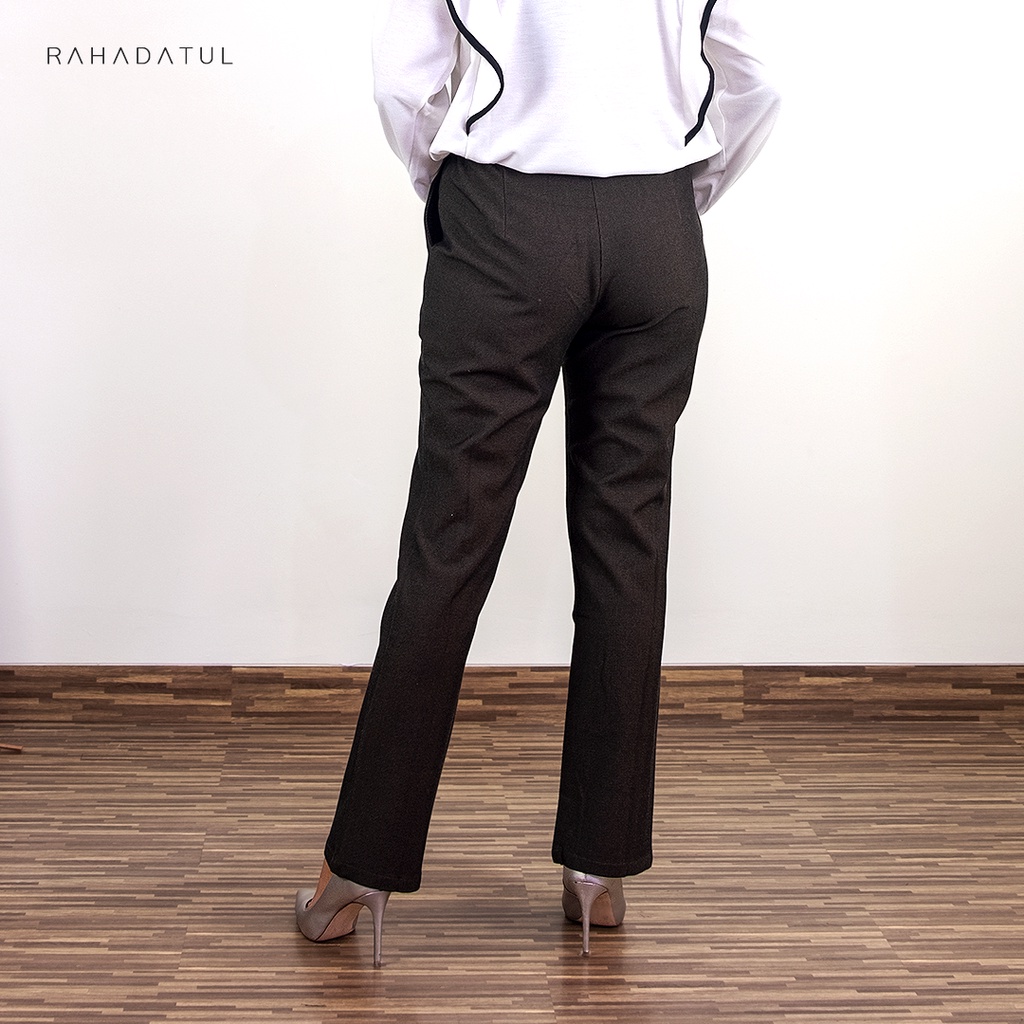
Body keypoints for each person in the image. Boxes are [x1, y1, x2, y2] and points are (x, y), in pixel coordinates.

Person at [296, 0, 780, 966]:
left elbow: (401, 82)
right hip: (656, 226)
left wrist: (449, 186)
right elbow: (758, 79)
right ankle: (600, 871)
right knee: (627, 543)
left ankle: (358, 874)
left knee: (448, 544)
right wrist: (683, 189)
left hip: (504, 218)